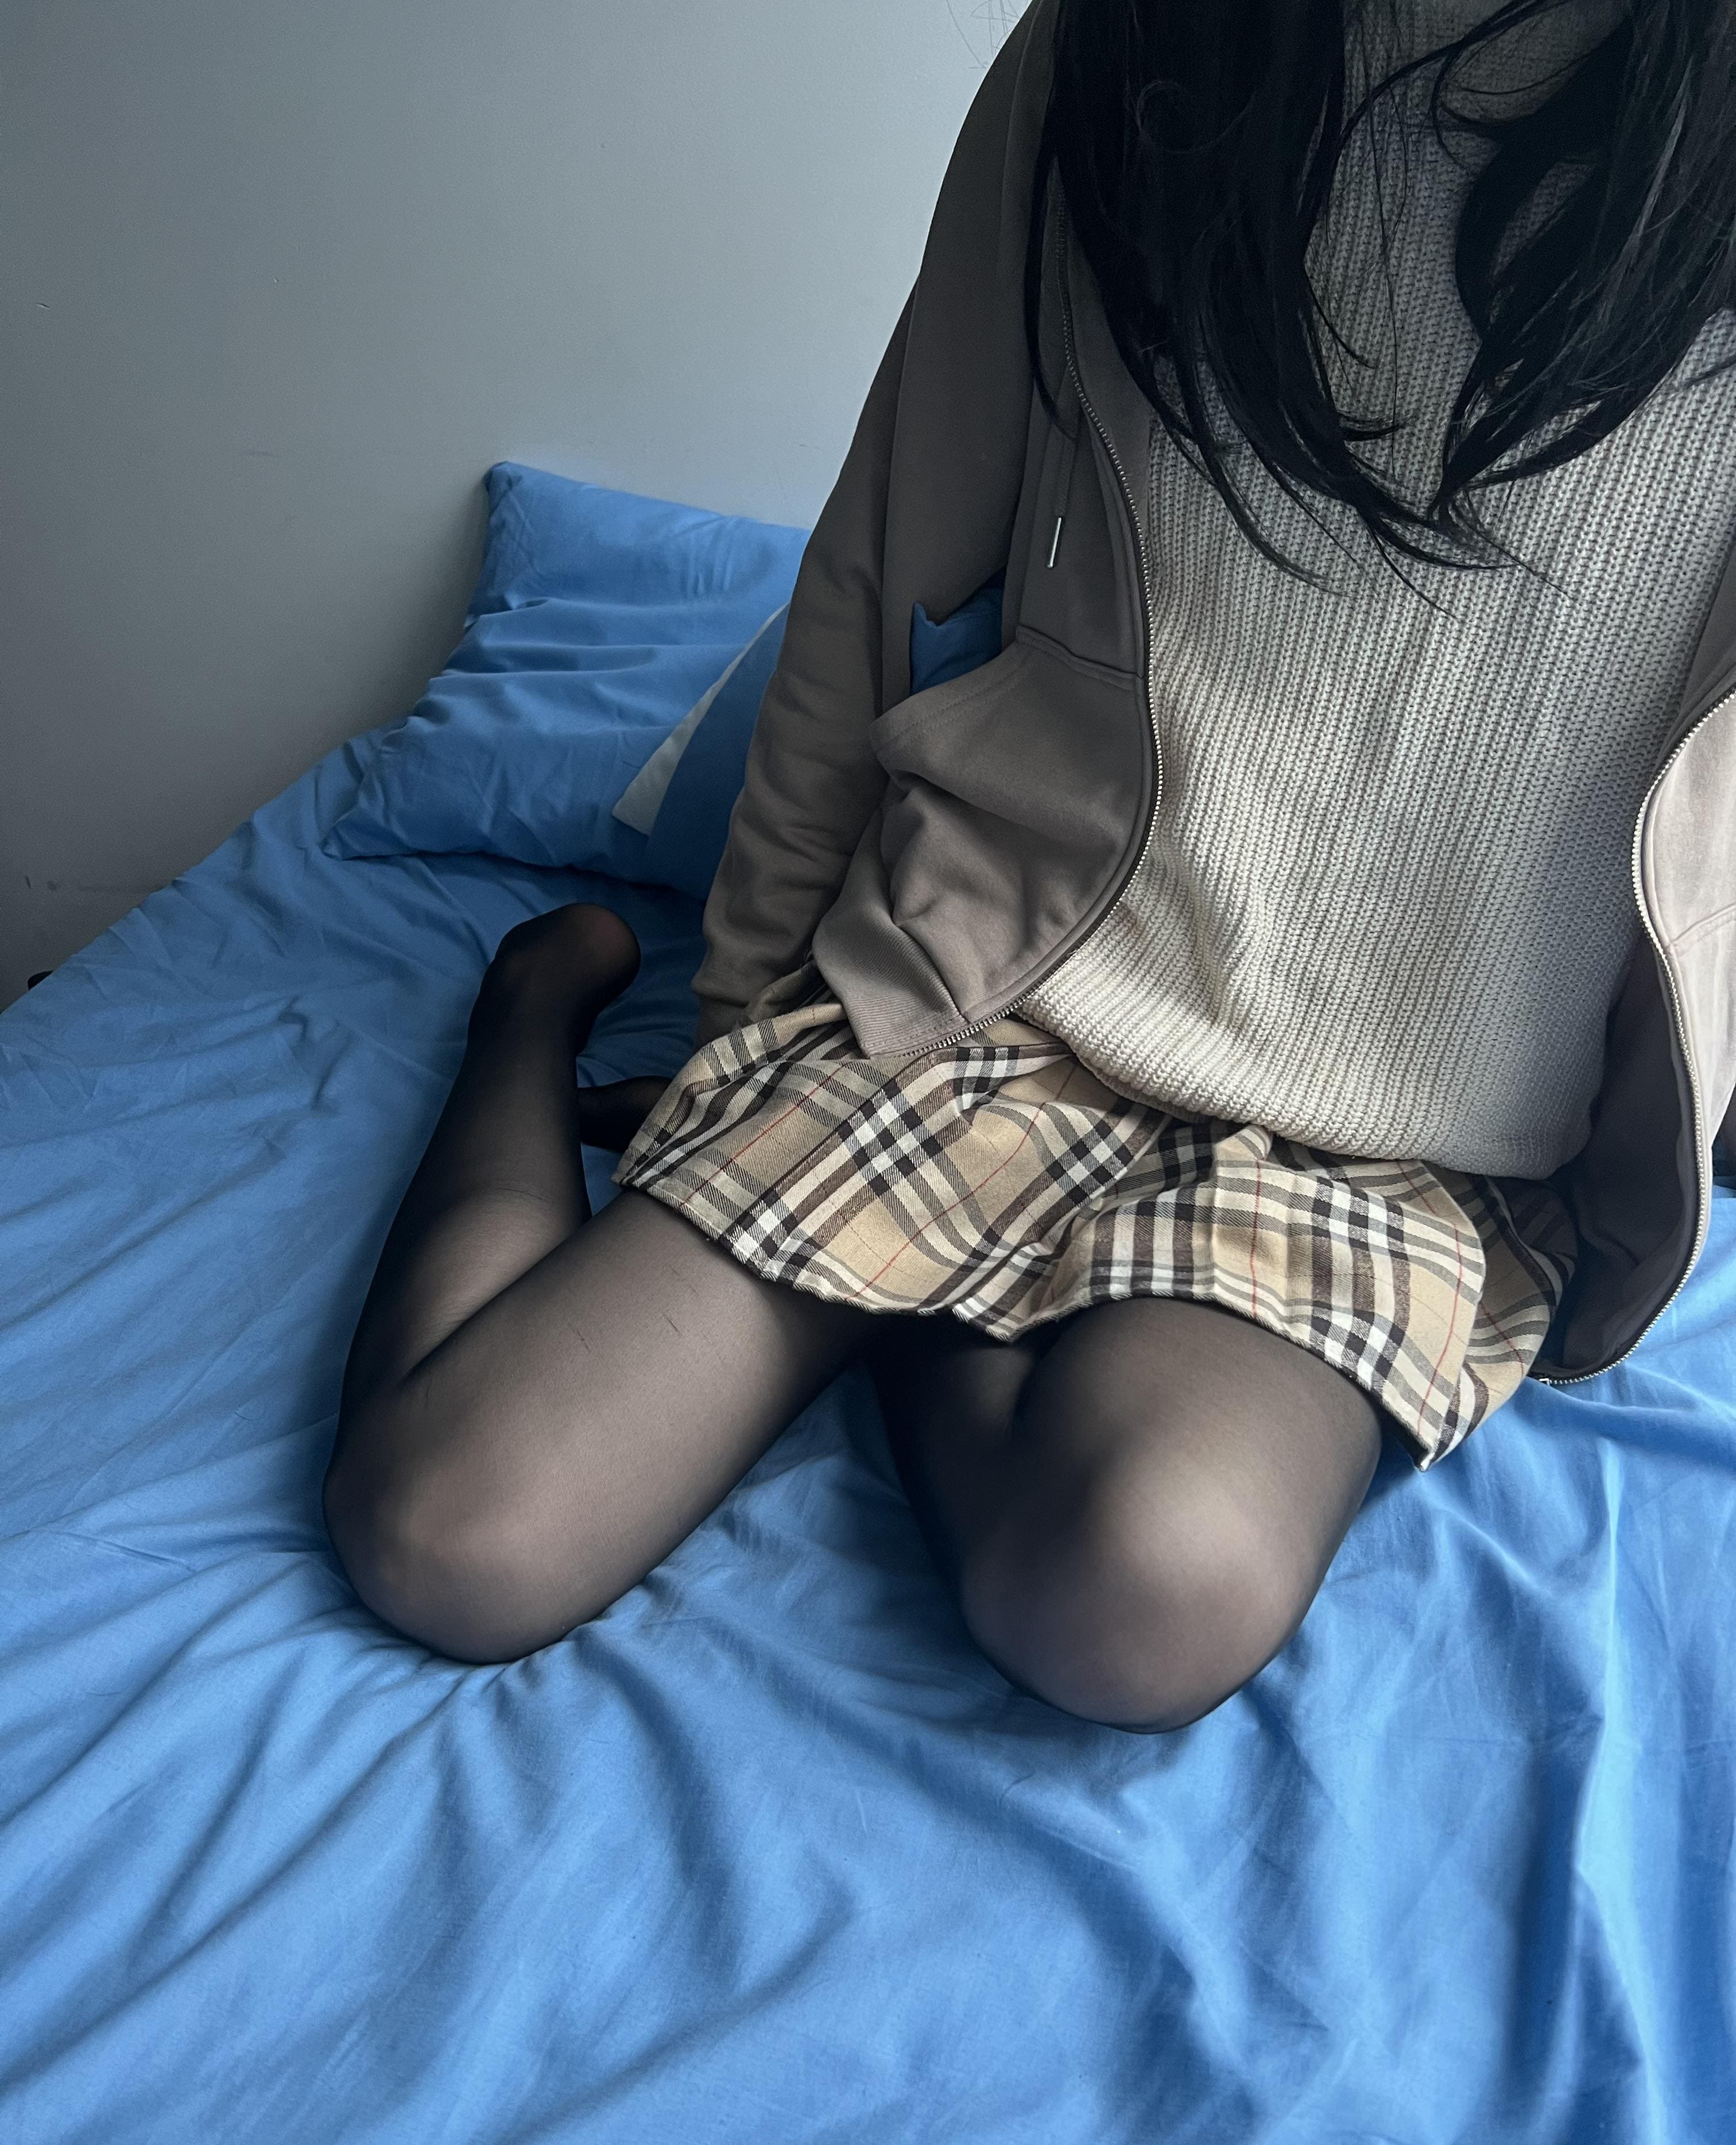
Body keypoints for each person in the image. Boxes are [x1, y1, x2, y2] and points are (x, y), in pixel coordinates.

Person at [323, 0, 1736, 1729]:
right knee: (447, 1534)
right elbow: (885, 567)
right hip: (1004, 984)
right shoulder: (1129, 47)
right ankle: (532, 1004)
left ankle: (917, 1300)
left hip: (1415, 1136)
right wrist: (737, 1019)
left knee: (1140, 1599)